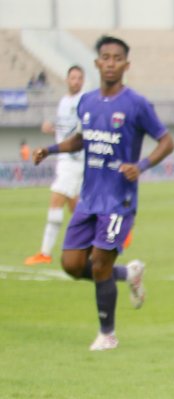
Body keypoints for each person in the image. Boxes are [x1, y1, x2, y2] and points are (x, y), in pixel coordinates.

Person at [32, 35, 174, 352]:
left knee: (99, 263)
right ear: (97, 63)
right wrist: (52, 149)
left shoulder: (136, 104)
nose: (111, 63)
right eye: (105, 57)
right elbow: (80, 139)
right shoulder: (87, 102)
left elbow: (167, 141)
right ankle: (130, 273)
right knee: (71, 264)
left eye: (117, 58)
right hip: (89, 198)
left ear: (126, 64)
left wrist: (142, 165)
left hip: (118, 201)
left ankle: (107, 334)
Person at [25, 65, 86, 266]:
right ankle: (108, 235)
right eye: (73, 77)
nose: (76, 81)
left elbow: (79, 134)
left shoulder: (83, 101)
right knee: (76, 209)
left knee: (56, 201)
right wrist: (52, 130)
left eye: (79, 78)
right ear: (67, 80)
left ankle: (45, 252)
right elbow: (65, 131)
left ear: (83, 81)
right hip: (64, 159)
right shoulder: (63, 102)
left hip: (73, 160)